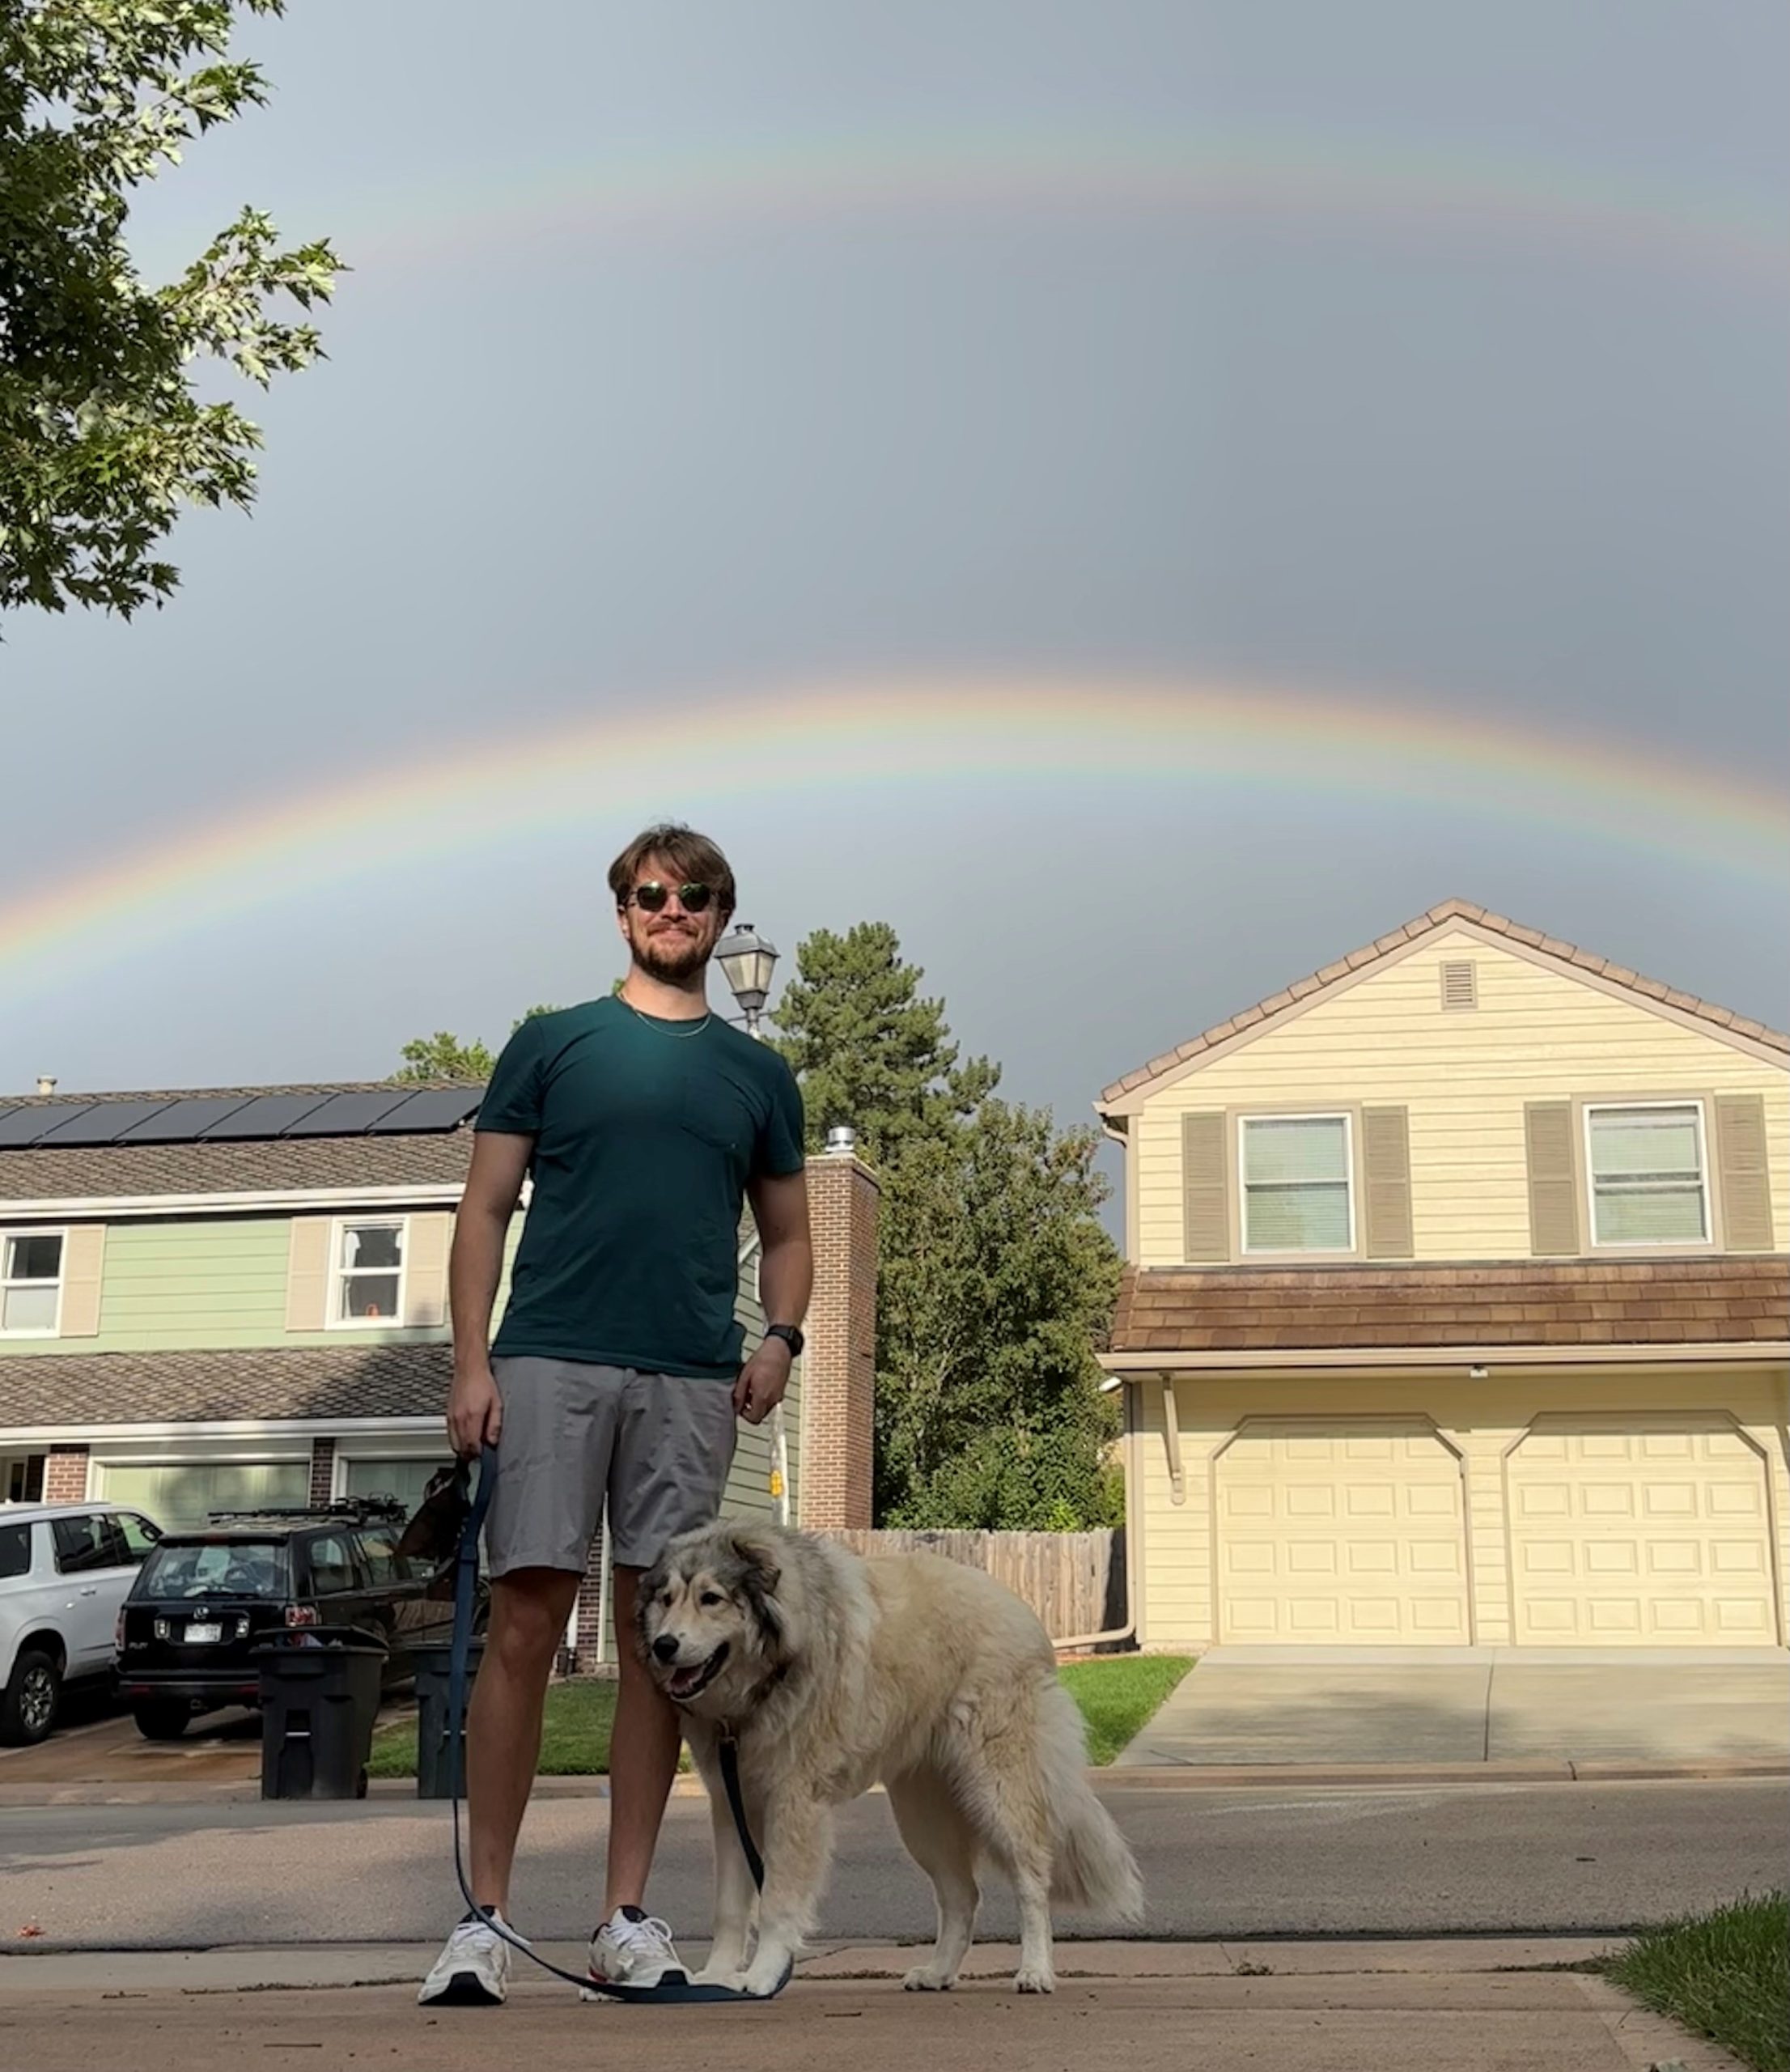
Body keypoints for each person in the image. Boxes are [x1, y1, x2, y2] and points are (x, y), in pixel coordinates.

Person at [418, 822, 813, 2007]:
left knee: (664, 1648)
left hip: (692, 1378)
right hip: (545, 1363)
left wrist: (781, 1339)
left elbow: (792, 1235)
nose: (672, 908)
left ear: (720, 913)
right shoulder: (553, 1044)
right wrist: (472, 1364)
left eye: (696, 895)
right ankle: (482, 1921)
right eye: (652, 892)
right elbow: (485, 1211)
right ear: (623, 909)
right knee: (527, 1623)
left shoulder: (757, 1076)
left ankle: (624, 1919)